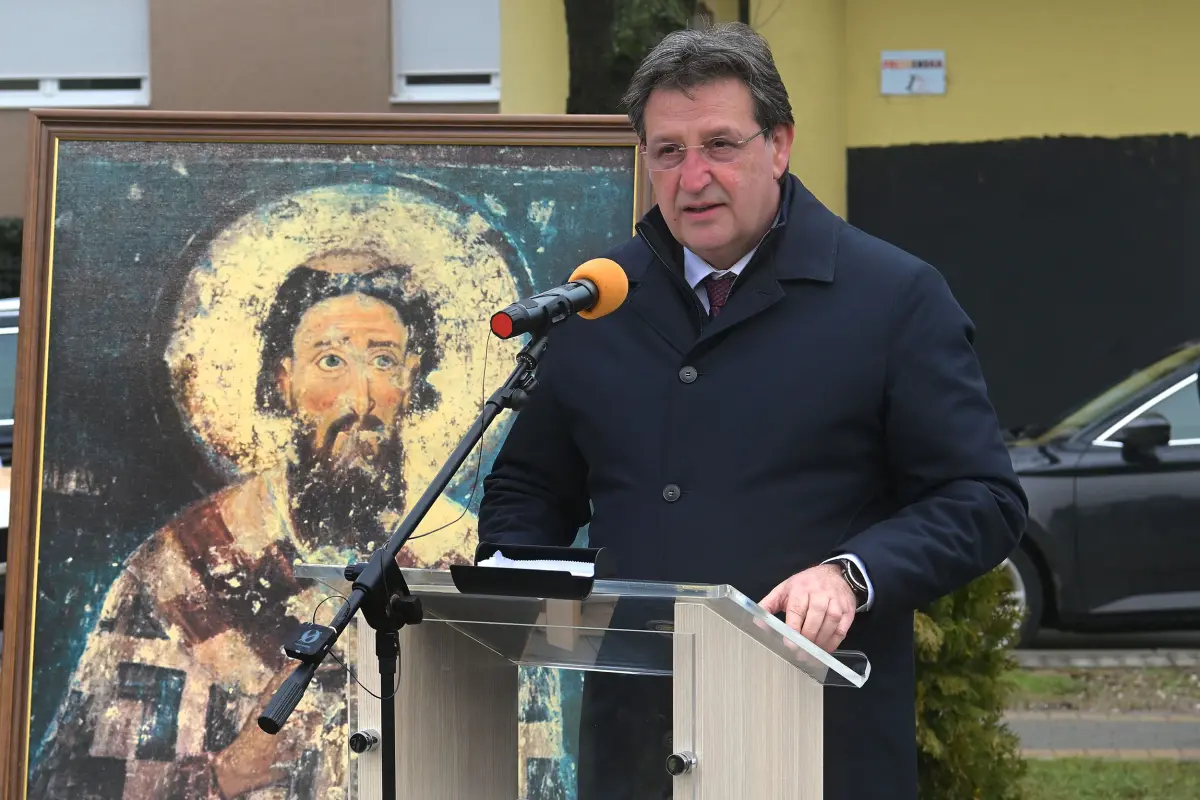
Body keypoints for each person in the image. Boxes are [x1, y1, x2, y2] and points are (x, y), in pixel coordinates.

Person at [477, 22, 1027, 800]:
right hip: (635, 749)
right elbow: (530, 487)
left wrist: (852, 575)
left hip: (817, 737)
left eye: (720, 145)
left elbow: (981, 499)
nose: (692, 176)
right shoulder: (598, 302)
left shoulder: (894, 298)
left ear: (779, 145)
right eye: (668, 151)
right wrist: (522, 581)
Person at [29, 255, 461, 799]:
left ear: (411, 379)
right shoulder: (186, 564)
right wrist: (228, 773)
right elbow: (74, 785)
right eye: (330, 361)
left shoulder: (458, 553)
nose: (361, 400)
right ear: (284, 382)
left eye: (383, 360)